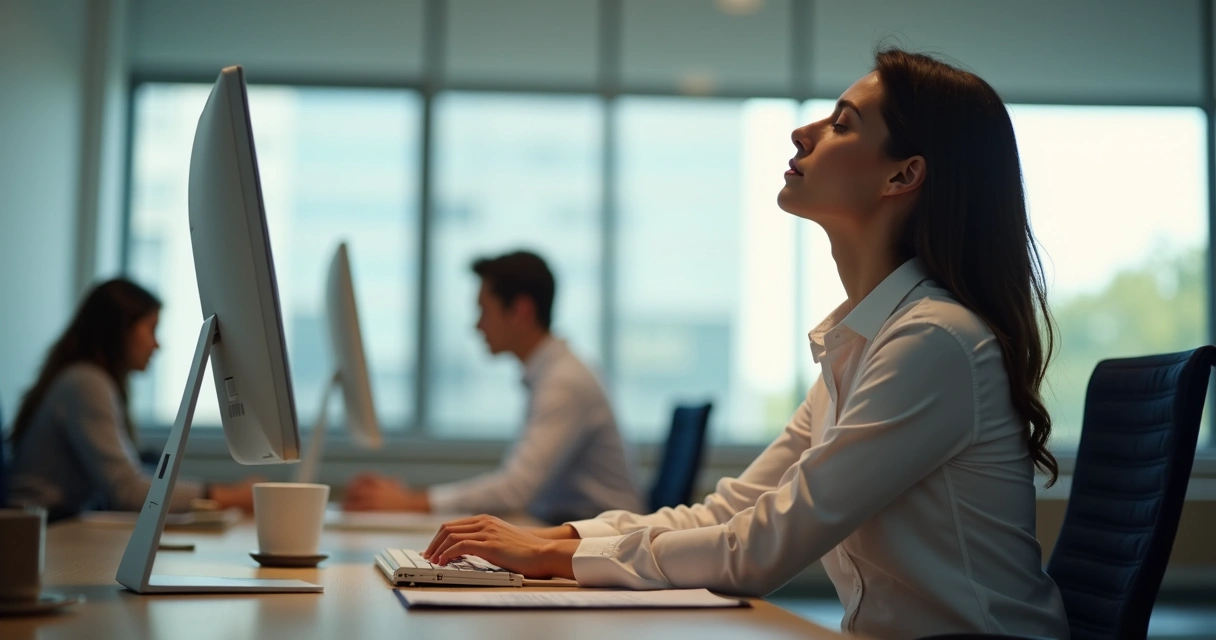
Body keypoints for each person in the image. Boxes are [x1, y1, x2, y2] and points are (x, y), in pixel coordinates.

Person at [420, 50, 1071, 638]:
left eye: (842, 125)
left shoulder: (931, 342)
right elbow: (732, 510)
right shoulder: (865, 344)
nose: (803, 133)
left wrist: (550, 554)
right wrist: (556, 539)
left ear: (902, 176)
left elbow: (760, 550)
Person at [344, 251, 642, 524]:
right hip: (571, 525)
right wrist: (414, 501)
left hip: (602, 539)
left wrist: (411, 502)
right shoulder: (552, 373)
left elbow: (516, 489)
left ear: (521, 311)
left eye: (484, 310)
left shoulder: (563, 382)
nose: (477, 326)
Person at [6, 279, 258, 521]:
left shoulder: (84, 379)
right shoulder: (86, 382)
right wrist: (231, 496)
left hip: (52, 525)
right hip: (42, 530)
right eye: (151, 329)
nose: (156, 344)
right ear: (121, 330)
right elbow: (127, 491)